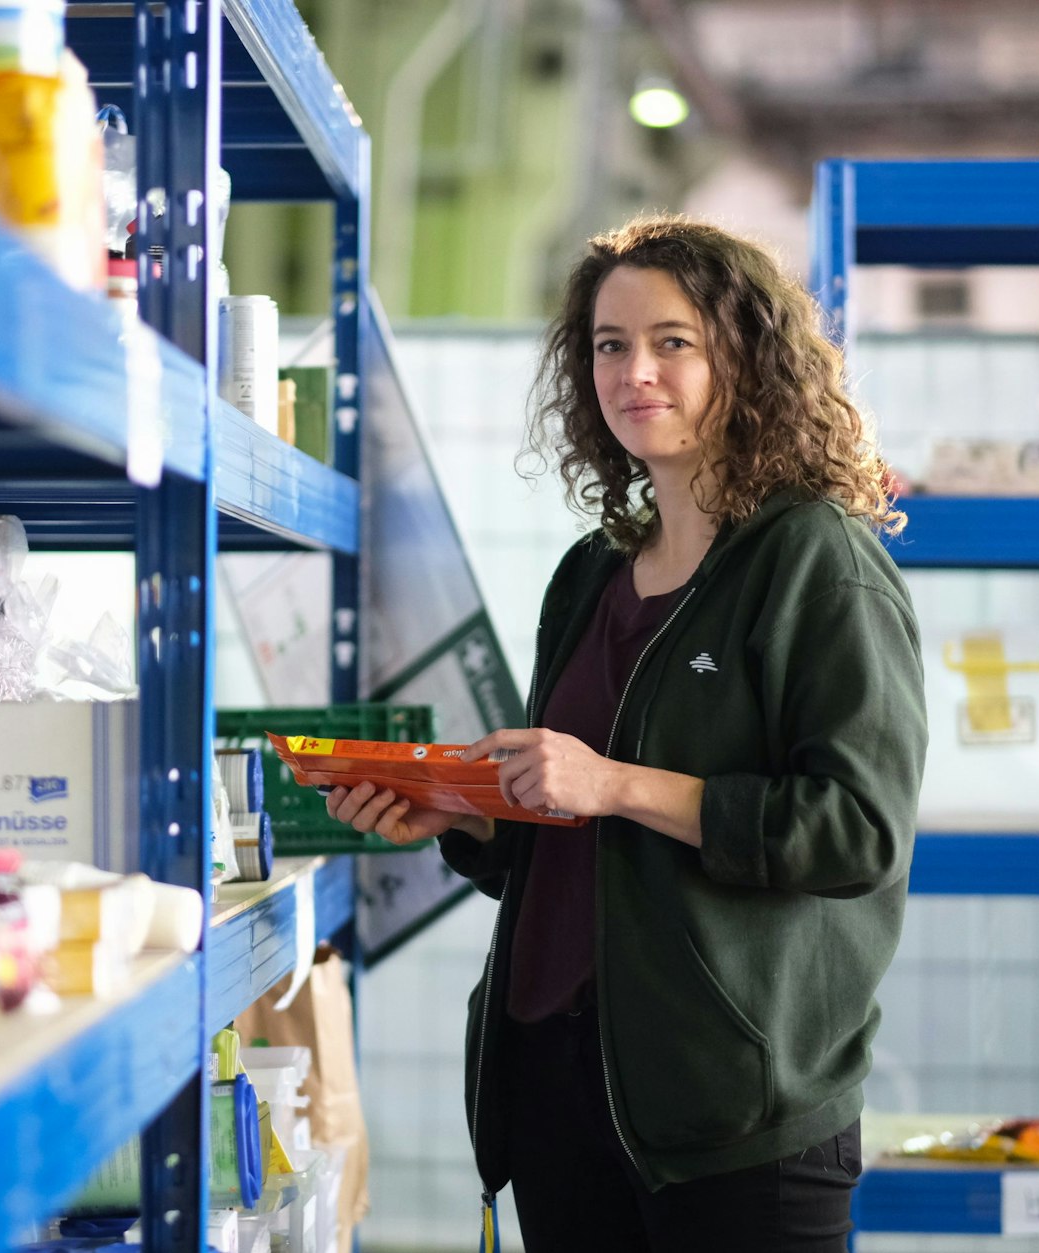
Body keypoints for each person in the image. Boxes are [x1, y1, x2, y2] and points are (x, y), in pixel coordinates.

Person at [324, 214, 928, 1252]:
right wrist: (456, 816)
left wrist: (618, 783)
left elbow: (856, 832)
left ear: (743, 356)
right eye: (608, 344)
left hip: (729, 1115)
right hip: (560, 1087)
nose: (633, 370)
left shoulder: (813, 560)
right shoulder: (589, 575)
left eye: (671, 341)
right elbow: (563, 837)